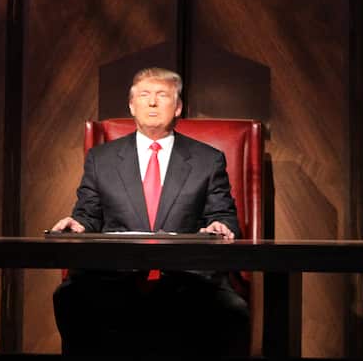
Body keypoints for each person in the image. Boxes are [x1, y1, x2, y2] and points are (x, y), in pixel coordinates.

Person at [50, 67, 250, 356]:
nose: (152, 103)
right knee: (69, 298)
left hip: (187, 280)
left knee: (232, 310)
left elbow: (224, 215)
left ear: (178, 107)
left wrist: (220, 225)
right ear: (132, 105)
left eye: (162, 95)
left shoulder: (208, 160)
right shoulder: (101, 159)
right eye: (144, 95)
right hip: (116, 277)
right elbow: (88, 216)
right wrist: (77, 224)